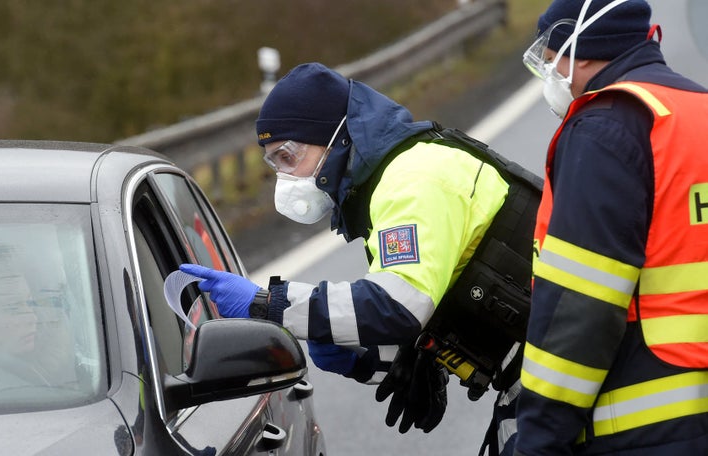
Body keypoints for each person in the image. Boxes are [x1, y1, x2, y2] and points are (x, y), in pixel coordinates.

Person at [180, 62, 532, 446]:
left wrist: (268, 304)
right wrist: (366, 359)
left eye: (288, 156)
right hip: (543, 368)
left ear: (335, 137)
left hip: (567, 364)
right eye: (274, 163)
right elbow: (424, 301)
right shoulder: (389, 182)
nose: (284, 177)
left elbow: (397, 305)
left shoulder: (413, 179)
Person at [515, 0, 708, 454]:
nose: (551, 76)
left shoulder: (605, 129)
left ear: (581, 53)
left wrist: (539, 437)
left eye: (551, 61)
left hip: (650, 422)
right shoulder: (695, 109)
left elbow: (581, 308)